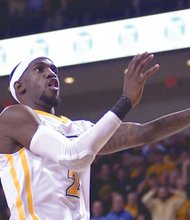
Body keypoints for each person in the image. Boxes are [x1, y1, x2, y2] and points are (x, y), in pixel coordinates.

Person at [0, 51, 189, 219]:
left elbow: (146, 132)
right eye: (39, 69)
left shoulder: (79, 129)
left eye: (54, 70)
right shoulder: (12, 117)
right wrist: (126, 102)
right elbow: (73, 156)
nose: (50, 73)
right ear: (19, 86)